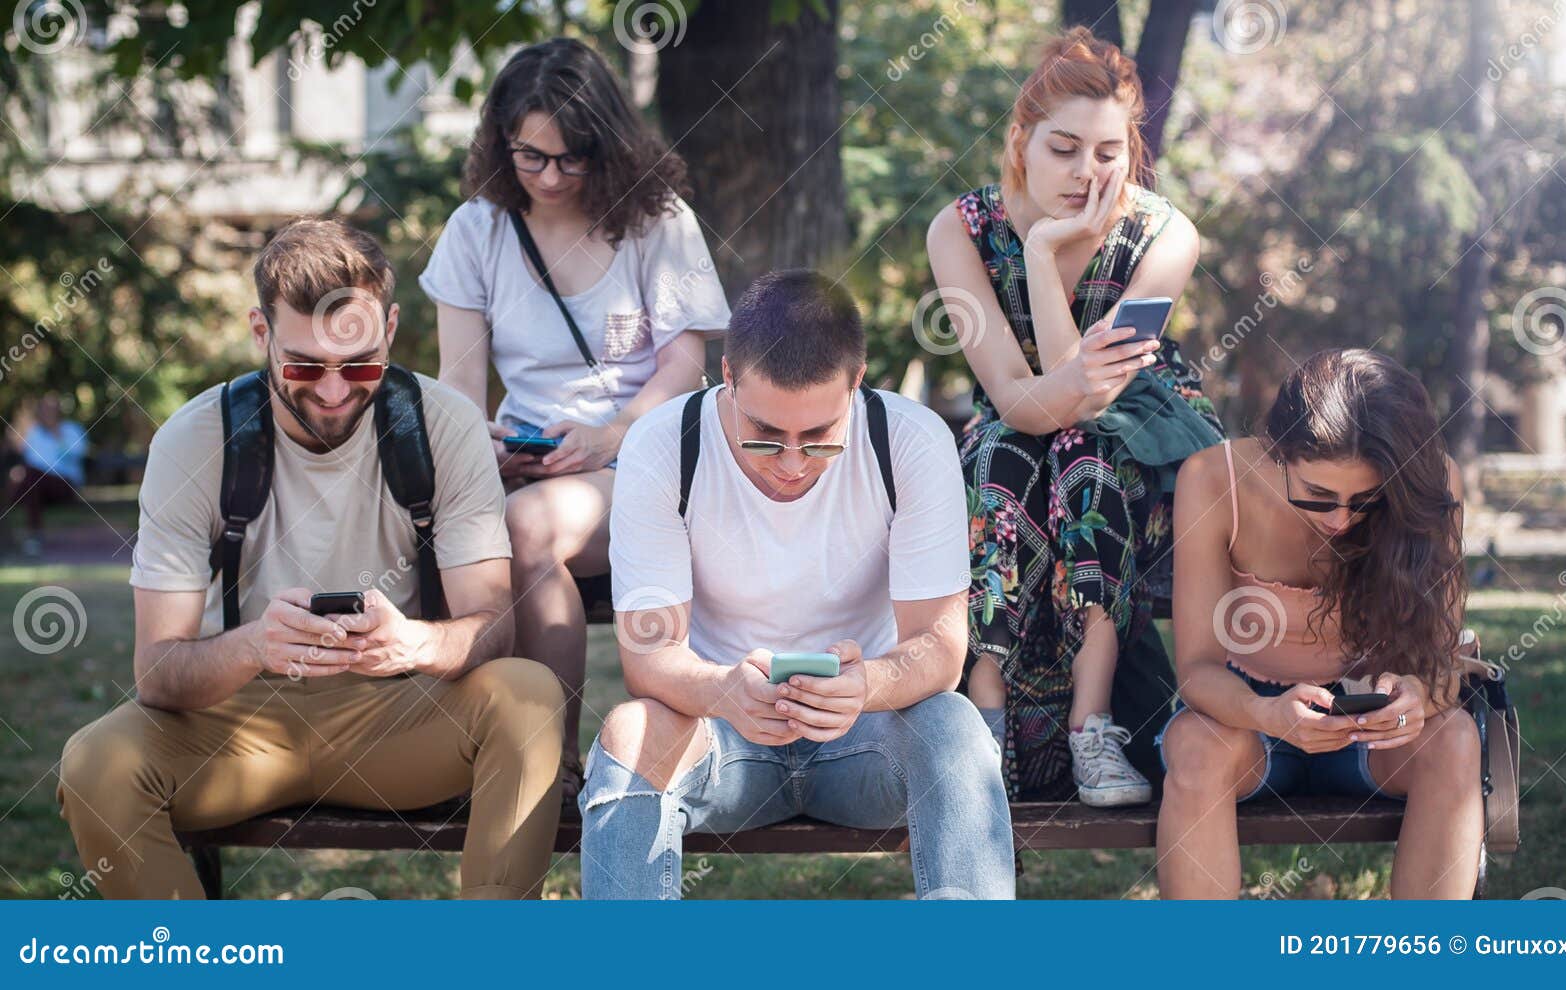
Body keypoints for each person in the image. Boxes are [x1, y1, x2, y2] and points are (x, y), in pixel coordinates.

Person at [56, 218, 565, 899]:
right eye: (303, 366)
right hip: (237, 726)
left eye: (359, 365)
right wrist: (254, 647)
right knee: (94, 766)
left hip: (400, 718)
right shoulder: (195, 440)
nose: (333, 392)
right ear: (261, 334)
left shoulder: (442, 426)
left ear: (388, 328)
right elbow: (157, 672)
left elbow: (493, 622)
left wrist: (415, 643)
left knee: (529, 694)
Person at [580, 270, 1015, 900]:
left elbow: (941, 649)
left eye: (817, 438)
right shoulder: (664, 444)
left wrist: (868, 683)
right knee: (628, 731)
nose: (790, 464)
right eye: (764, 436)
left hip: (867, 735)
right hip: (723, 735)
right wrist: (725, 689)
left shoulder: (910, 441)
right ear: (726, 376)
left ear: (856, 382)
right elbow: (649, 658)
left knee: (953, 726)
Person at [423, 38, 730, 797]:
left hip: (645, 456)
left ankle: (545, 762)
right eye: (531, 157)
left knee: (527, 525)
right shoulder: (477, 230)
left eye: (572, 159)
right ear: (501, 143)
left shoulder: (657, 222)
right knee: (440, 520)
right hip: (530, 463)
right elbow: (458, 385)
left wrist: (609, 434)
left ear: (608, 146)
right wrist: (484, 446)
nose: (551, 177)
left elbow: (685, 367)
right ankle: (450, 746)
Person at [926, 27, 1223, 803]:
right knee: (1003, 454)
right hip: (1017, 437)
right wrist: (1030, 252)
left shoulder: (1166, 236)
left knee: (1089, 454)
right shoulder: (960, 230)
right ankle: (982, 722)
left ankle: (1094, 732)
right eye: (1063, 149)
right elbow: (1014, 395)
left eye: (1107, 151)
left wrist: (1044, 264)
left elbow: (1094, 396)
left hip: (1138, 443)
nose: (1087, 174)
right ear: (1021, 141)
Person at [1160, 349, 1481, 899]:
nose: (1340, 519)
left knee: (1454, 740)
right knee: (1196, 746)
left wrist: (1417, 695)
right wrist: (1265, 711)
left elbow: (1441, 663)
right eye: (1318, 496)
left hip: (1373, 716)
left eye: (1366, 499)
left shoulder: (1430, 482)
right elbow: (1196, 669)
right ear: (1279, 452)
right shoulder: (1214, 478)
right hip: (1247, 715)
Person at [5, 392, 87, 556]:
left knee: (30, 479)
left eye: (52, 410)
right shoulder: (34, 433)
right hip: (35, 485)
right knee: (28, 479)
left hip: (65, 483)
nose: (48, 414)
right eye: (44, 410)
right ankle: (32, 536)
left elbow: (78, 454)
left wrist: (57, 434)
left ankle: (33, 535)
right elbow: (29, 460)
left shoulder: (71, 430)